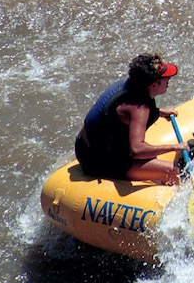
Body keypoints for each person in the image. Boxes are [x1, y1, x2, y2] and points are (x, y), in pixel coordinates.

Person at [74, 53, 188, 185]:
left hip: (86, 147)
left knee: (154, 160)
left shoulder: (131, 85)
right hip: (97, 162)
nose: (169, 79)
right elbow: (137, 150)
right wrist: (175, 147)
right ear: (154, 84)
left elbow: (122, 111)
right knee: (177, 173)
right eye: (165, 78)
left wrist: (159, 112)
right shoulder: (139, 108)